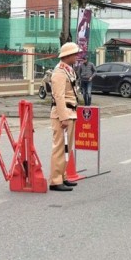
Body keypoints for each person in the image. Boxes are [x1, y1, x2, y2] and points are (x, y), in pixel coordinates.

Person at [49, 42, 81, 191]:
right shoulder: (59, 72)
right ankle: (55, 180)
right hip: (63, 114)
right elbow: (59, 96)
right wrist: (63, 117)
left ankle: (63, 176)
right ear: (67, 56)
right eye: (74, 54)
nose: (76, 56)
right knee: (60, 148)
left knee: (67, 148)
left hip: (70, 113)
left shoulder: (68, 70)